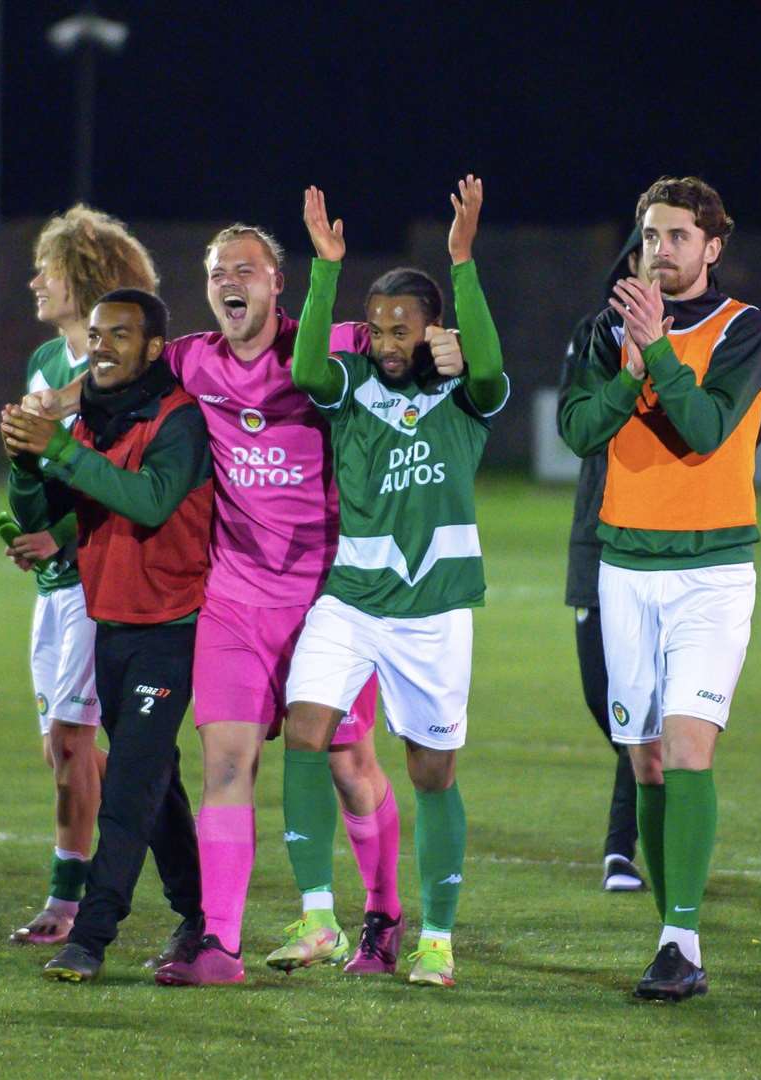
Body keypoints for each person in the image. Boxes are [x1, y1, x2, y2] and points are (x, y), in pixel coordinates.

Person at [31, 225, 446, 985]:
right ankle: (219, 945)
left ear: (276, 284)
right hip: (231, 595)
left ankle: (383, 916)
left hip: (327, 596)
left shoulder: (331, 344)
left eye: (247, 269)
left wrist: (443, 353)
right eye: (220, 271)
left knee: (349, 765)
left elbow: (405, 340)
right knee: (227, 762)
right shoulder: (192, 358)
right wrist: (47, 405)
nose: (232, 281)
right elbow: (109, 375)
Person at [277, 176, 507, 989]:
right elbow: (307, 364)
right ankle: (315, 916)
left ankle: (435, 938)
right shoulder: (350, 385)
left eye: (399, 327)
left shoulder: (464, 393)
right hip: (350, 601)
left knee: (431, 774)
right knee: (304, 734)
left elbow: (488, 370)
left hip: (436, 610)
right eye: (375, 326)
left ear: (432, 331)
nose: (382, 339)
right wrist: (324, 269)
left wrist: (462, 259)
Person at [559, 176, 761, 1002]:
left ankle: (680, 939)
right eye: (651, 235)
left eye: (679, 236)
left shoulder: (741, 327)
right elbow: (579, 429)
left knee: (687, 747)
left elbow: (707, 427)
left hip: (711, 573)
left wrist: (650, 353)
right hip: (624, 569)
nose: (661, 249)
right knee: (644, 758)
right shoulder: (600, 329)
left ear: (712, 247)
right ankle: (666, 926)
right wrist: (626, 363)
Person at [1, 289, 211, 982]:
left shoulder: (178, 418)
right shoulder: (90, 419)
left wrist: (58, 445)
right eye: (95, 334)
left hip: (173, 627)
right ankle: (199, 917)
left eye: (120, 335)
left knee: (125, 784)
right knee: (158, 782)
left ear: (153, 349)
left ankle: (89, 938)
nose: (102, 346)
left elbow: (149, 499)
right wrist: (24, 462)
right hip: (107, 624)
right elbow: (46, 509)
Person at [1, 206, 159, 947]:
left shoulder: (124, 371)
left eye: (49, 269)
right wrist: (24, 516)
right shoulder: (43, 364)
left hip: (103, 581)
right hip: (55, 587)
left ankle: (71, 899)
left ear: (85, 278)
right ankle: (146, 803)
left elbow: (120, 481)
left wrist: (58, 534)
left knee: (70, 743)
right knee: (63, 749)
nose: (35, 280)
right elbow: (39, 472)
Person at [560, 227, 646, 893]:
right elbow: (577, 426)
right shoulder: (593, 336)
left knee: (645, 711)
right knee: (609, 702)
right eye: (646, 251)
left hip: (671, 550)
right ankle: (651, 794)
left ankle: (621, 848)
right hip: (597, 542)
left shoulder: (714, 335)